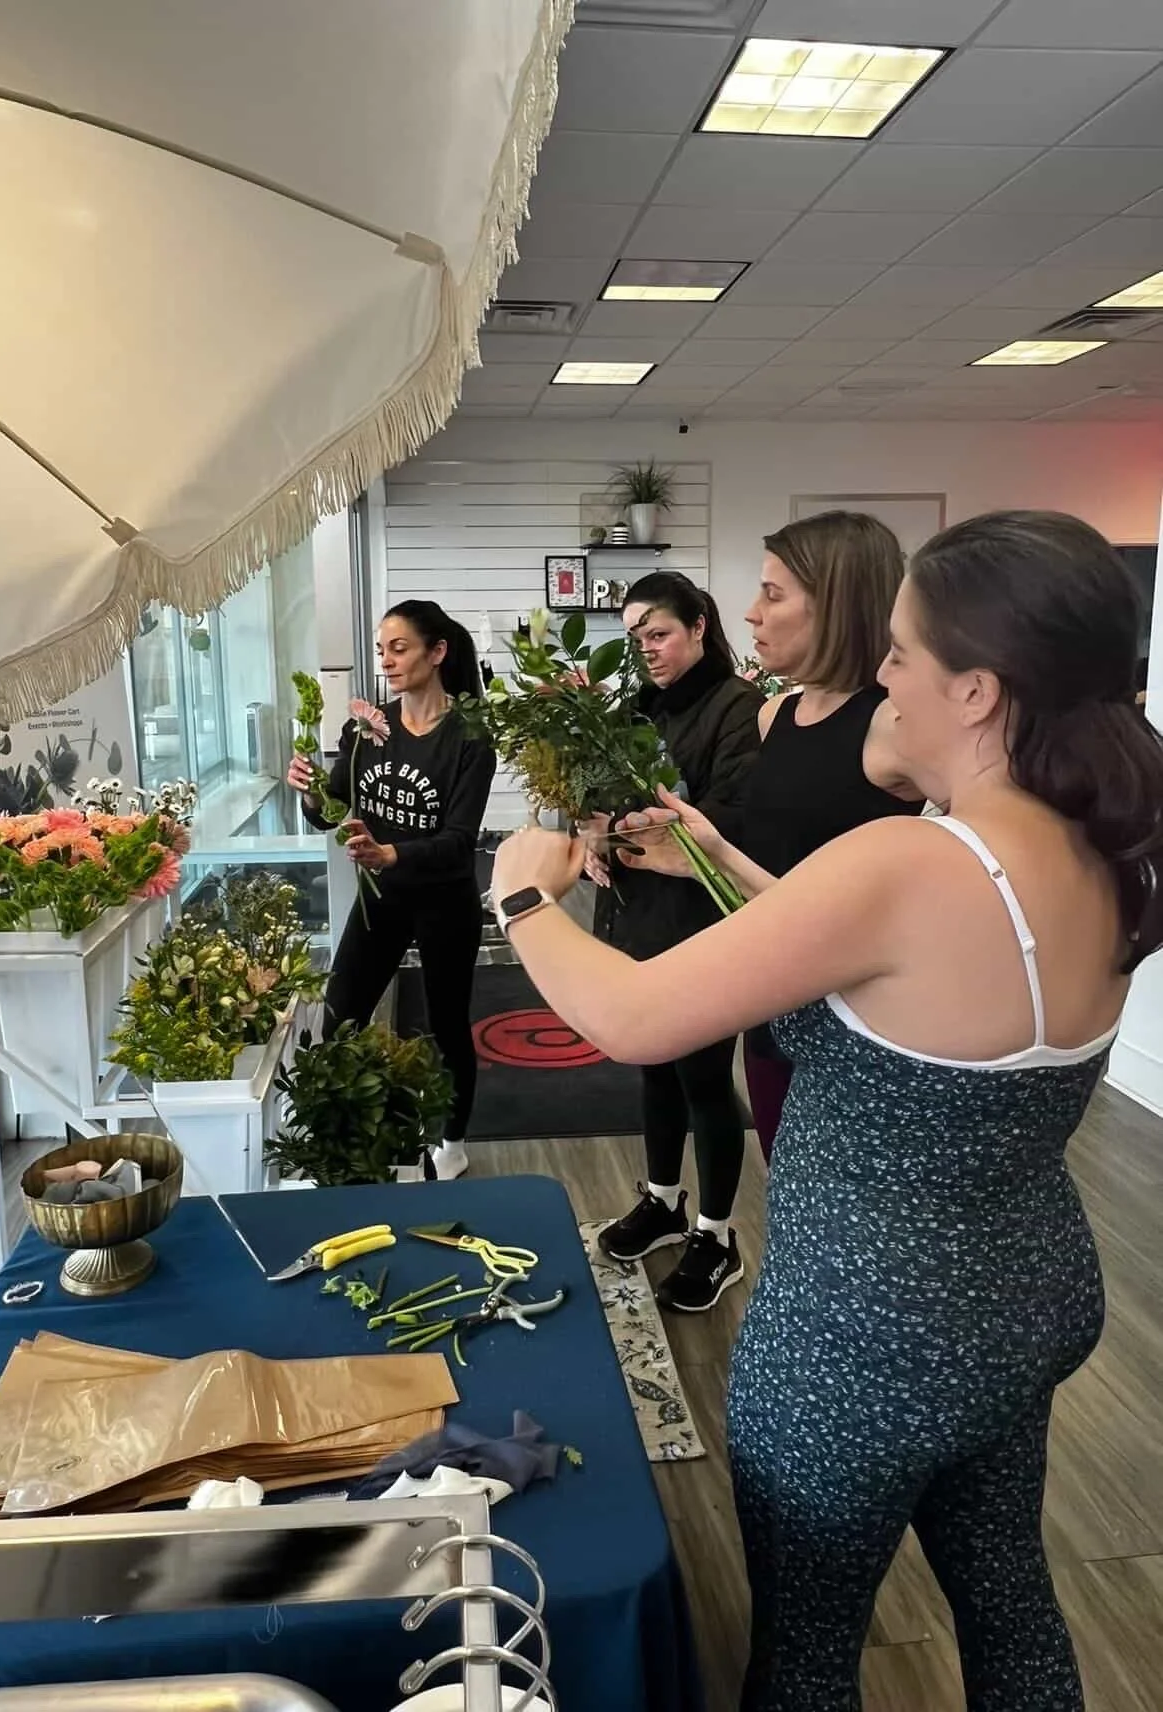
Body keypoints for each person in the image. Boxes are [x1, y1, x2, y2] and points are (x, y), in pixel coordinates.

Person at [487, 512, 1163, 1709]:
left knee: (803, 1656)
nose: (883, 677)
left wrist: (525, 900)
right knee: (1010, 1600)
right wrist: (709, 848)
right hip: (1021, 1298)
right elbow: (839, 940)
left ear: (977, 690)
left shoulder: (907, 859)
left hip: (864, 1333)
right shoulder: (1100, 849)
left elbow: (638, 1019)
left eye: (900, 654)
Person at [584, 572, 762, 1312]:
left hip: (703, 924)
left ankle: (716, 1236)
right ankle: (662, 1200)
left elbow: (729, 815)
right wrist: (591, 834)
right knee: (651, 1063)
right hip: (639, 913)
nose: (646, 650)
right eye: (634, 639)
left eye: (657, 634)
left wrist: (640, 832)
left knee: (703, 1080)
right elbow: (601, 792)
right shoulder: (638, 706)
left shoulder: (739, 708)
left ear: (698, 625)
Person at [736, 512, 925, 1160]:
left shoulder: (895, 729)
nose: (751, 614)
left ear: (838, 606)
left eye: (773, 594)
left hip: (862, 1028)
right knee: (784, 1180)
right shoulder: (773, 715)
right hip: (770, 1002)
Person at [288, 600, 496, 1181]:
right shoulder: (366, 726)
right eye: (382, 650)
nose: (387, 661)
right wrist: (308, 792)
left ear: (437, 652)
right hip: (382, 897)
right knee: (340, 1014)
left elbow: (459, 842)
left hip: (444, 900)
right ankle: (352, 1131)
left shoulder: (470, 737)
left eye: (399, 648)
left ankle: (452, 1143)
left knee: (448, 1026)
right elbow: (328, 814)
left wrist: (390, 853)